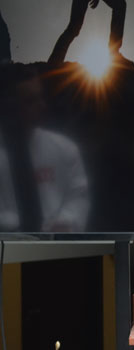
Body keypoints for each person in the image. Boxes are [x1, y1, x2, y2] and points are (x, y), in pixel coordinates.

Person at [0, 67, 89, 232]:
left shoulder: (64, 148)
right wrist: (19, 226)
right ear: (8, 105)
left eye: (41, 97)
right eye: (30, 101)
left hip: (58, 241)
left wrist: (66, 220)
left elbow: (79, 195)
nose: (42, 105)